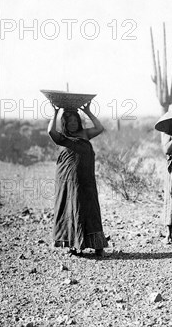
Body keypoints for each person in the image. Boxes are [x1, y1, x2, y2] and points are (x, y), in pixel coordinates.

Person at [48, 103, 108, 257]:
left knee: (91, 209)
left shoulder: (85, 134)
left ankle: (97, 245)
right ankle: (74, 244)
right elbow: (50, 131)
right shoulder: (62, 138)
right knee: (72, 208)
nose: (73, 123)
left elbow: (100, 128)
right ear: (65, 124)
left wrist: (88, 111)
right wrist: (55, 113)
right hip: (69, 181)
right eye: (69, 122)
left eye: (75, 120)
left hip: (87, 180)